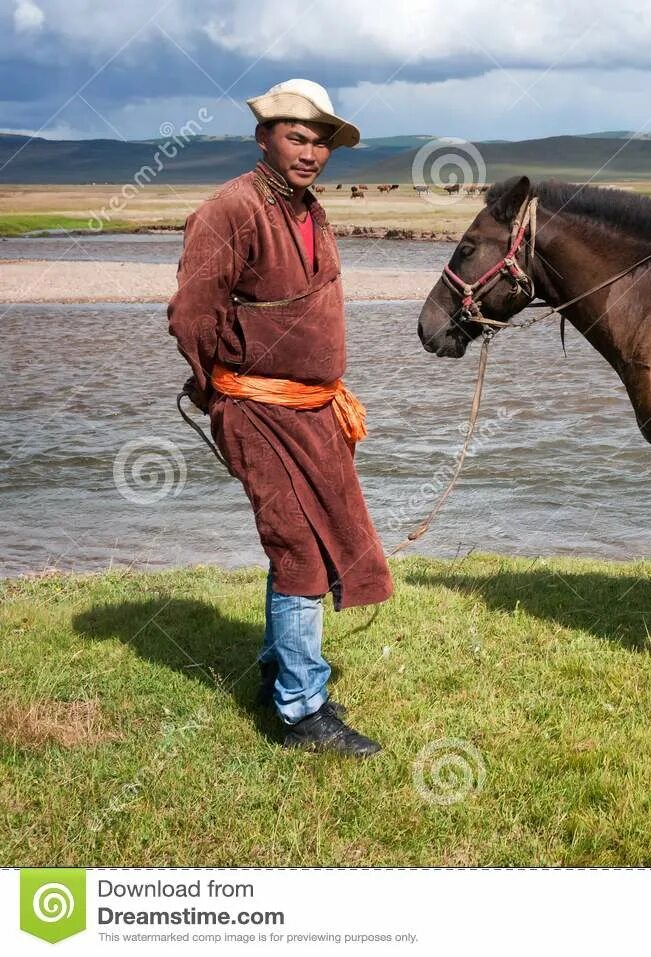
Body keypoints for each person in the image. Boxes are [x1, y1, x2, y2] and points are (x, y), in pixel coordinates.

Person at [167, 79, 391, 757]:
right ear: (263, 136)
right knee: (297, 543)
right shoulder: (230, 209)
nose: (311, 152)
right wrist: (219, 390)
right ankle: (302, 711)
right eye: (297, 137)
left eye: (321, 141)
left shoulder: (308, 209)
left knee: (313, 540)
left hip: (312, 410)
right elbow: (190, 314)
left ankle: (278, 672)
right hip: (258, 408)